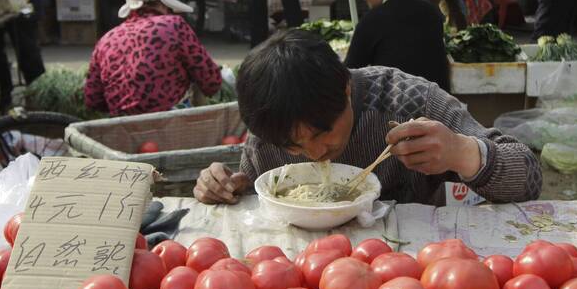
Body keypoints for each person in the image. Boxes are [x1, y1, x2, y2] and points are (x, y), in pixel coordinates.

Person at [193, 29, 541, 206]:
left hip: (411, 273)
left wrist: (461, 152)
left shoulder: (407, 101)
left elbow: (529, 179)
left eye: (321, 134)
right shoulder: (271, 133)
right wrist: (224, 188)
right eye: (293, 147)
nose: (314, 153)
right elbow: (255, 197)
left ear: (346, 90)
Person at [84, 0, 222, 116]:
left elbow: (93, 100)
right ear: (162, 3)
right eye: (169, 8)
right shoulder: (174, 25)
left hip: (122, 129)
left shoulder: (105, 40)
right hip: (169, 124)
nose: (169, 12)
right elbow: (211, 82)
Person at [345, 0, 450, 91]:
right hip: (439, 101)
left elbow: (348, 73)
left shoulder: (372, 20)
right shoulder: (431, 11)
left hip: (397, 103)